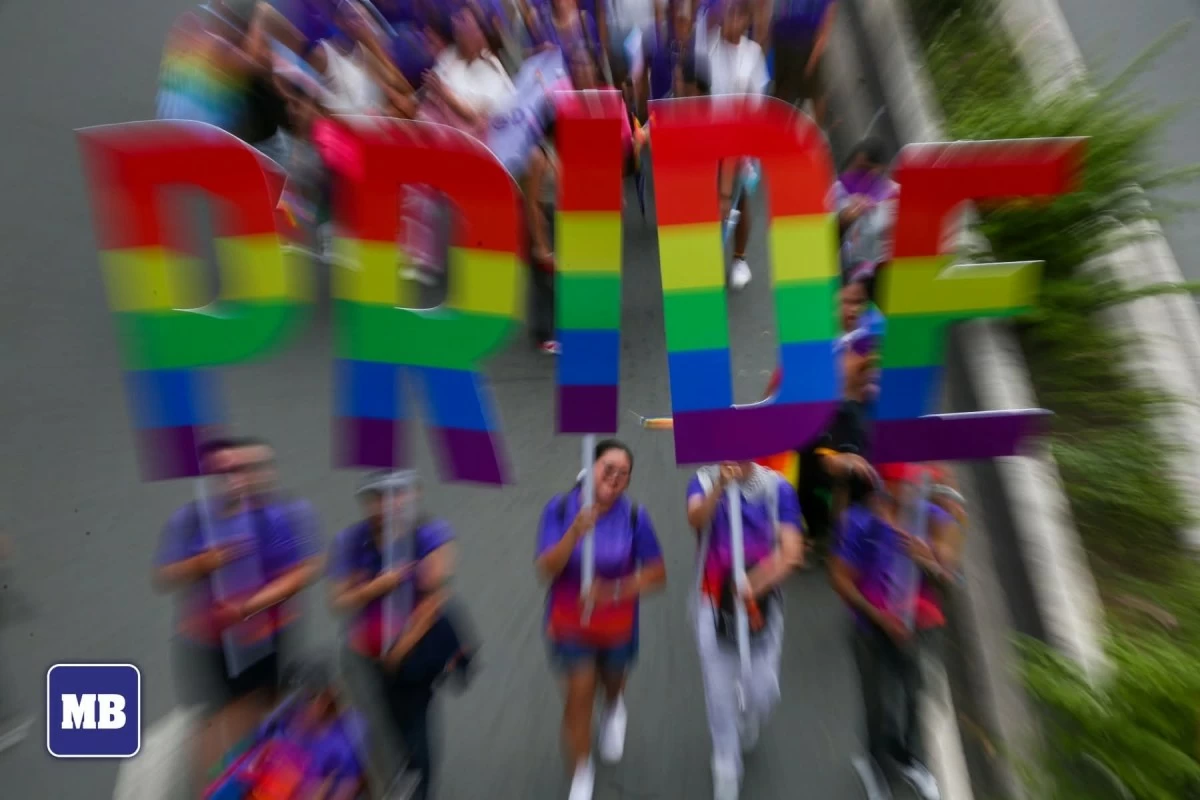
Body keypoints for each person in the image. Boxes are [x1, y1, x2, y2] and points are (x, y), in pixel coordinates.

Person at [152, 436, 321, 791]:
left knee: (261, 714)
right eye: (226, 471)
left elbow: (304, 570)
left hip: (266, 640)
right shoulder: (194, 519)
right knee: (215, 721)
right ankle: (216, 789)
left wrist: (251, 604)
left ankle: (261, 779)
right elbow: (164, 575)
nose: (237, 477)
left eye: (247, 468)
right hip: (208, 643)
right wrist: (204, 562)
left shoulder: (281, 517)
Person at [328, 470, 473, 800]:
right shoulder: (351, 541)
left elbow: (436, 596)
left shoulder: (430, 535)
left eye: (398, 494)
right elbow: (339, 601)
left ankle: (419, 791)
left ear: (414, 494)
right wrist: (377, 587)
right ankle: (387, 786)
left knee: (413, 726)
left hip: (412, 654)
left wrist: (402, 646)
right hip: (363, 654)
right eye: (378, 497)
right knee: (370, 729)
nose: (388, 504)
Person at [535, 439, 667, 800]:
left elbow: (657, 575)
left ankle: (614, 707)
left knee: (611, 682)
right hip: (569, 623)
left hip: (617, 625)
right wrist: (575, 532)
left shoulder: (636, 517)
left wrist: (613, 591)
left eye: (623, 473)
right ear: (590, 467)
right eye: (607, 467)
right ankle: (581, 770)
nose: (614, 476)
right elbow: (545, 569)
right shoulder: (560, 510)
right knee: (578, 696)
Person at [829, 471, 960, 800]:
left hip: (921, 629)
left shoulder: (934, 520)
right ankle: (877, 767)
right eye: (901, 481)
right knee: (879, 703)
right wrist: (879, 617)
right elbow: (841, 579)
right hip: (871, 631)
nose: (912, 488)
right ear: (885, 483)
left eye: (916, 481)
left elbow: (948, 580)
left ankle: (913, 760)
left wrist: (928, 560)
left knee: (915, 696)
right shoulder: (859, 523)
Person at [685, 460, 805, 800]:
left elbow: (792, 552)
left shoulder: (777, 488)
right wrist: (720, 488)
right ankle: (725, 760)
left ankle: (750, 713)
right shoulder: (703, 480)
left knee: (762, 690)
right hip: (712, 601)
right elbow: (695, 519)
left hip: (762, 603)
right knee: (719, 688)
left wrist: (754, 584)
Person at [708, 0, 768, 291]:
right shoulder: (706, 46)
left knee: (741, 201)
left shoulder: (753, 53)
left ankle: (739, 258)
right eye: (728, 12)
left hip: (741, 140)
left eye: (739, 14)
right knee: (708, 200)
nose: (732, 19)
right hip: (707, 138)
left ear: (747, 20)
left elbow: (757, 102)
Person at [837, 137, 899, 289]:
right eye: (860, 170)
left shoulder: (895, 198)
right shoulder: (836, 194)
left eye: (873, 172)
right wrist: (842, 223)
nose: (866, 177)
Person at [769, 0, 836, 125]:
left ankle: (818, 132)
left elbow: (824, 29)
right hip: (781, 41)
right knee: (781, 91)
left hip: (807, 43)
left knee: (815, 92)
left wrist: (813, 58)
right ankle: (775, 128)